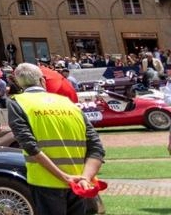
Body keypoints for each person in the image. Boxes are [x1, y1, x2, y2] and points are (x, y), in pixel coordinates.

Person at [8, 62, 105, 215]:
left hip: (46, 181)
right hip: (80, 182)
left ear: (17, 82)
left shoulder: (17, 102)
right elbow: (96, 147)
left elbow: (29, 146)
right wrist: (85, 178)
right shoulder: (67, 103)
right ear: (42, 80)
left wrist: (65, 177)